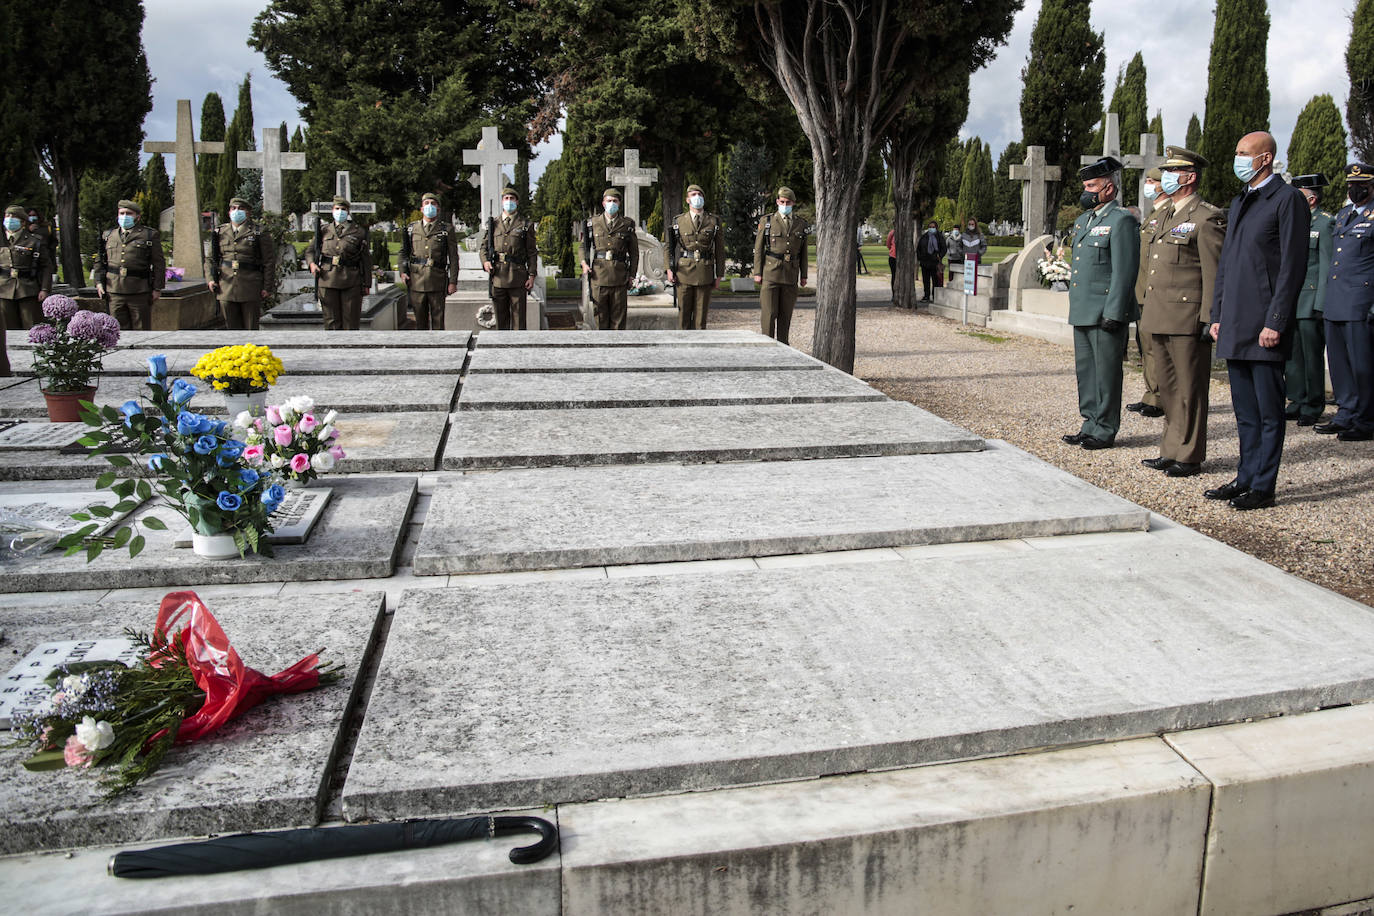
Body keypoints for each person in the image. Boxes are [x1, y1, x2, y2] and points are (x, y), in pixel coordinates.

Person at [1205, 131, 1309, 510]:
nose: (1238, 159)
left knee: (1268, 412)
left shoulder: (1287, 200)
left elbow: (1291, 269)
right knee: (1245, 412)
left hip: (1264, 325)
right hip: (1235, 322)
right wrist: (1217, 315)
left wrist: (1276, 321)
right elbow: (1227, 265)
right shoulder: (1241, 200)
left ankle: (1264, 485)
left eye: (1244, 153)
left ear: (1265, 159)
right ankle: (1245, 476)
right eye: (1237, 153)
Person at [1138, 148, 1226, 478]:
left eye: (1174, 172)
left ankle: (1189, 454)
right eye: (1166, 171)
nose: (1167, 178)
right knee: (1169, 389)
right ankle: (1171, 447)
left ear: (1189, 177)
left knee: (1190, 389)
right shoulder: (1164, 215)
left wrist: (1209, 317)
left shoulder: (1206, 218)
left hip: (1187, 317)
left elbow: (1213, 274)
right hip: (1159, 314)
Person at [1060, 156, 1140, 451]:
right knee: (1087, 372)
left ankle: (1105, 428)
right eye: (1085, 185)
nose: (1086, 191)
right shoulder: (1083, 220)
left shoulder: (1121, 221)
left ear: (1108, 189)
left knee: (1106, 373)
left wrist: (1116, 311)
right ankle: (1089, 422)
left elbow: (1124, 270)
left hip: (1106, 311)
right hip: (1083, 310)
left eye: (1092, 185)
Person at [1314, 162, 1374, 441]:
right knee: (1339, 363)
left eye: (1360, 185)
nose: (1354, 189)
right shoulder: (1343, 215)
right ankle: (1346, 412)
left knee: (1362, 364)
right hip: (1336, 300)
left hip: (1361, 300)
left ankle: (1366, 418)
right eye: (1351, 185)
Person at [1285, 174, 1334, 426]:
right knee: (1292, 354)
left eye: (1299, 196)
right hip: (1290, 299)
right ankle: (1296, 398)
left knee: (1311, 355)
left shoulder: (1324, 224)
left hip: (1310, 298)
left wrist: (1321, 303)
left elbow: (1326, 265)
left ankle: (1313, 404)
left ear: (1312, 199)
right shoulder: (1293, 222)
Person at [1128, 166, 1171, 419]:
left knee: (1157, 348)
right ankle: (1151, 393)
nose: (1148, 184)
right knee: (1147, 348)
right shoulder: (1154, 215)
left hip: (1156, 294)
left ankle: (1160, 396)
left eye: (1152, 180)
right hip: (1143, 291)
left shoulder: (1168, 214)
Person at [206, 197, 277, 331]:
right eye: (233, 208)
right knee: (232, 329)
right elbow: (210, 259)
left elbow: (269, 261)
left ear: (248, 212)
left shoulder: (258, 231)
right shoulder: (220, 232)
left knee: (250, 329)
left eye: (240, 209)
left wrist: (267, 287)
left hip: (250, 285)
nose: (236, 211)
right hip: (226, 286)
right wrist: (210, 280)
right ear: (229, 212)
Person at [95, 199, 165, 332]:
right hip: (114, 290)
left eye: (129, 213)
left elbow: (159, 263)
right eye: (122, 213)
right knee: (116, 331)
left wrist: (157, 288)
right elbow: (100, 260)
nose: (124, 217)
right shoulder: (108, 235)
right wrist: (99, 282)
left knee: (141, 330)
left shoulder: (149, 235)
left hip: (139, 290)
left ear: (137, 217)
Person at [752, 186, 809, 344]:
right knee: (769, 314)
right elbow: (758, 249)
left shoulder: (801, 224)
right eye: (782, 201)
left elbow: (803, 252)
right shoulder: (768, 221)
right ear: (777, 201)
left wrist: (803, 275)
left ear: (793, 203)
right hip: (771, 273)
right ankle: (767, 346)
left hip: (791, 274)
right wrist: (757, 272)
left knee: (786, 315)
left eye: (788, 202)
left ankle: (784, 347)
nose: (784, 205)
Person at [0, 203, 52, 376]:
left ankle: (36, 365)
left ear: (22, 222)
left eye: (13, 217)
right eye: (7, 217)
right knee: (8, 330)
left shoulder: (33, 241)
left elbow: (46, 266)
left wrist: (45, 288)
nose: (9, 220)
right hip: (4, 290)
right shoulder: (2, 240)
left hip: (27, 289)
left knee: (32, 329)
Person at [307, 196, 372, 331]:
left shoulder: (359, 231)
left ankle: (349, 350)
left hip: (351, 280)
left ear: (348, 212)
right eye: (337, 209)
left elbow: (365, 259)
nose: (340, 211)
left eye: (343, 209)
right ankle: (333, 351)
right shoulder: (323, 230)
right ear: (332, 210)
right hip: (327, 279)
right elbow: (310, 251)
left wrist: (367, 283)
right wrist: (312, 264)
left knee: (351, 321)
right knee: (331, 321)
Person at [666, 184, 725, 329]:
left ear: (703, 198)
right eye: (693, 195)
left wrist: (719, 275)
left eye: (699, 194)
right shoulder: (678, 221)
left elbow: (720, 250)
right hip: (684, 272)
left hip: (705, 272)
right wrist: (669, 268)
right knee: (683, 317)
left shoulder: (714, 221)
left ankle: (699, 350)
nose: (696, 197)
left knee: (701, 319)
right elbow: (669, 247)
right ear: (687, 200)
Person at [481, 187, 537, 331]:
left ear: (517, 202)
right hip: (498, 276)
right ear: (502, 201)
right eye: (506, 199)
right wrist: (485, 262)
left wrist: (531, 275)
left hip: (517, 276)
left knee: (519, 320)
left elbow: (531, 252)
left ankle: (519, 350)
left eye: (512, 199)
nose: (509, 201)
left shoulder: (525, 225)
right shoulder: (493, 224)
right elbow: (483, 248)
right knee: (501, 319)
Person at [581, 188, 638, 331]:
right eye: (609, 201)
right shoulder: (592, 223)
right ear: (603, 203)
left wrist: (632, 275)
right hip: (598, 276)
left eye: (615, 201)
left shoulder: (627, 224)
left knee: (619, 320)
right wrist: (583, 263)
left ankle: (618, 351)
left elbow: (634, 253)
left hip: (619, 277)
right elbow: (583, 247)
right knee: (600, 318)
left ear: (619, 204)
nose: (612, 203)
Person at [402, 191, 459, 330]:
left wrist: (452, 282)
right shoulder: (411, 229)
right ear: (421, 209)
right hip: (417, 281)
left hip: (437, 281)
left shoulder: (446, 229)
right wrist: (403, 271)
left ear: (438, 209)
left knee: (438, 320)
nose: (429, 206)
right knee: (420, 321)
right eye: (426, 203)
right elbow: (403, 252)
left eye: (433, 204)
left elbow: (453, 257)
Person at [947, 218, 987, 284]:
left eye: (972, 224)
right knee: (966, 279)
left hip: (976, 260)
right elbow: (958, 246)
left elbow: (984, 246)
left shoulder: (980, 235)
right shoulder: (963, 235)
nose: (971, 225)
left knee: (975, 280)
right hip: (965, 260)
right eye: (969, 224)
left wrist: (979, 253)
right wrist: (962, 253)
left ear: (975, 225)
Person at [916, 219, 947, 303]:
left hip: (935, 262)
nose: (931, 228)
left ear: (936, 228)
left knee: (935, 281)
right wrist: (920, 258)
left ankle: (935, 296)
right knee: (926, 281)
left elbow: (944, 248)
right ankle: (926, 296)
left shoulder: (940, 237)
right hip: (925, 262)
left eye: (933, 227)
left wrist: (939, 256)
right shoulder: (924, 236)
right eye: (930, 227)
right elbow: (918, 248)